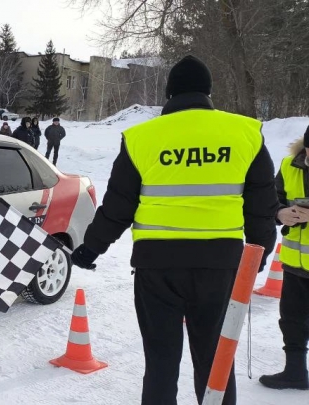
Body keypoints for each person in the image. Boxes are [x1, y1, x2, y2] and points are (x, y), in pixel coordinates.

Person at [69, 55, 278, 405]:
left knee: (161, 363)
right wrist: (257, 254)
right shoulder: (245, 133)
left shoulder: (142, 137)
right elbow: (262, 206)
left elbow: (118, 206)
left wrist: (91, 248)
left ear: (169, 94)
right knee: (215, 362)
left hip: (157, 267)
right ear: (209, 92)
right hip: (220, 264)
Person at [260, 124, 309, 391]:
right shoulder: (289, 165)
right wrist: (281, 213)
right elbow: (272, 200)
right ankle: (295, 372)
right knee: (291, 320)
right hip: (295, 264)